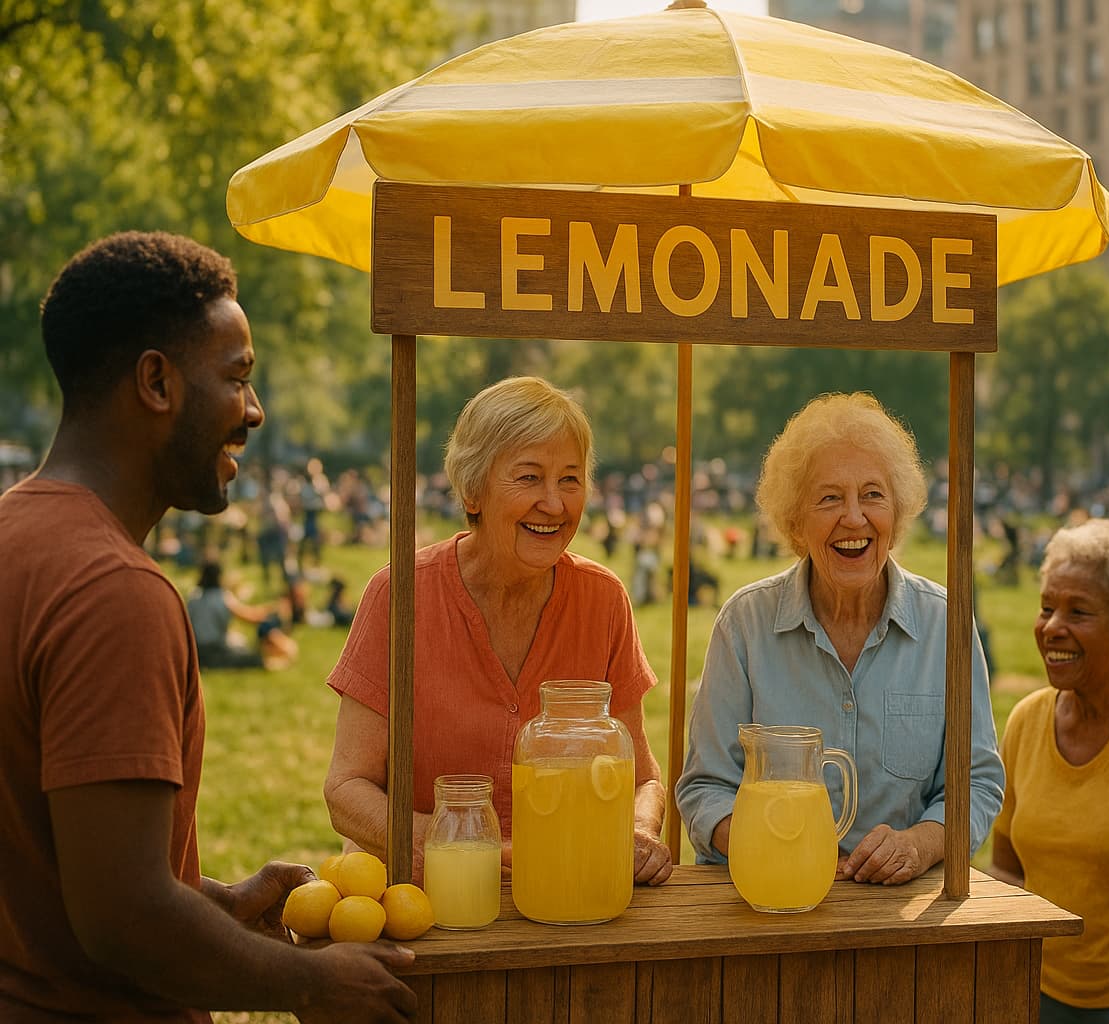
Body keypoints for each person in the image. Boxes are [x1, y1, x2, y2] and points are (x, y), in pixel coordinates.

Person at [0, 232, 416, 1021]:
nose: (254, 412)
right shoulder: (114, 591)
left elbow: (53, 858)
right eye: (237, 378)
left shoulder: (14, 535)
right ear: (156, 381)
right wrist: (308, 982)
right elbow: (122, 917)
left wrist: (207, 901)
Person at [324, 376, 671, 886]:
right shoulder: (400, 596)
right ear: (472, 488)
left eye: (570, 480)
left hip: (567, 894)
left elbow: (643, 778)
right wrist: (462, 847)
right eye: (529, 478)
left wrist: (641, 829)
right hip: (417, 901)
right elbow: (346, 791)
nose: (554, 504)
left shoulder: (604, 600)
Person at [677, 392, 1004, 885]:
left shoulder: (946, 624)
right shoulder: (745, 624)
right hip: (768, 903)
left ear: (898, 513)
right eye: (830, 498)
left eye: (873, 495)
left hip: (899, 915)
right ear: (794, 521)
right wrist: (773, 847)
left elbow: (976, 783)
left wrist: (920, 843)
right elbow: (706, 789)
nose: (854, 518)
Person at [991, 519, 1109, 1024]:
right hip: (1027, 988)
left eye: (1079, 612)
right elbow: (1008, 865)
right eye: (1047, 607)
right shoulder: (1027, 719)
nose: (1052, 626)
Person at [185, 560, 300, 670]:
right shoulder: (222, 597)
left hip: (195, 651)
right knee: (252, 658)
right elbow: (251, 617)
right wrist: (274, 609)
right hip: (214, 650)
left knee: (239, 640)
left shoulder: (194, 596)